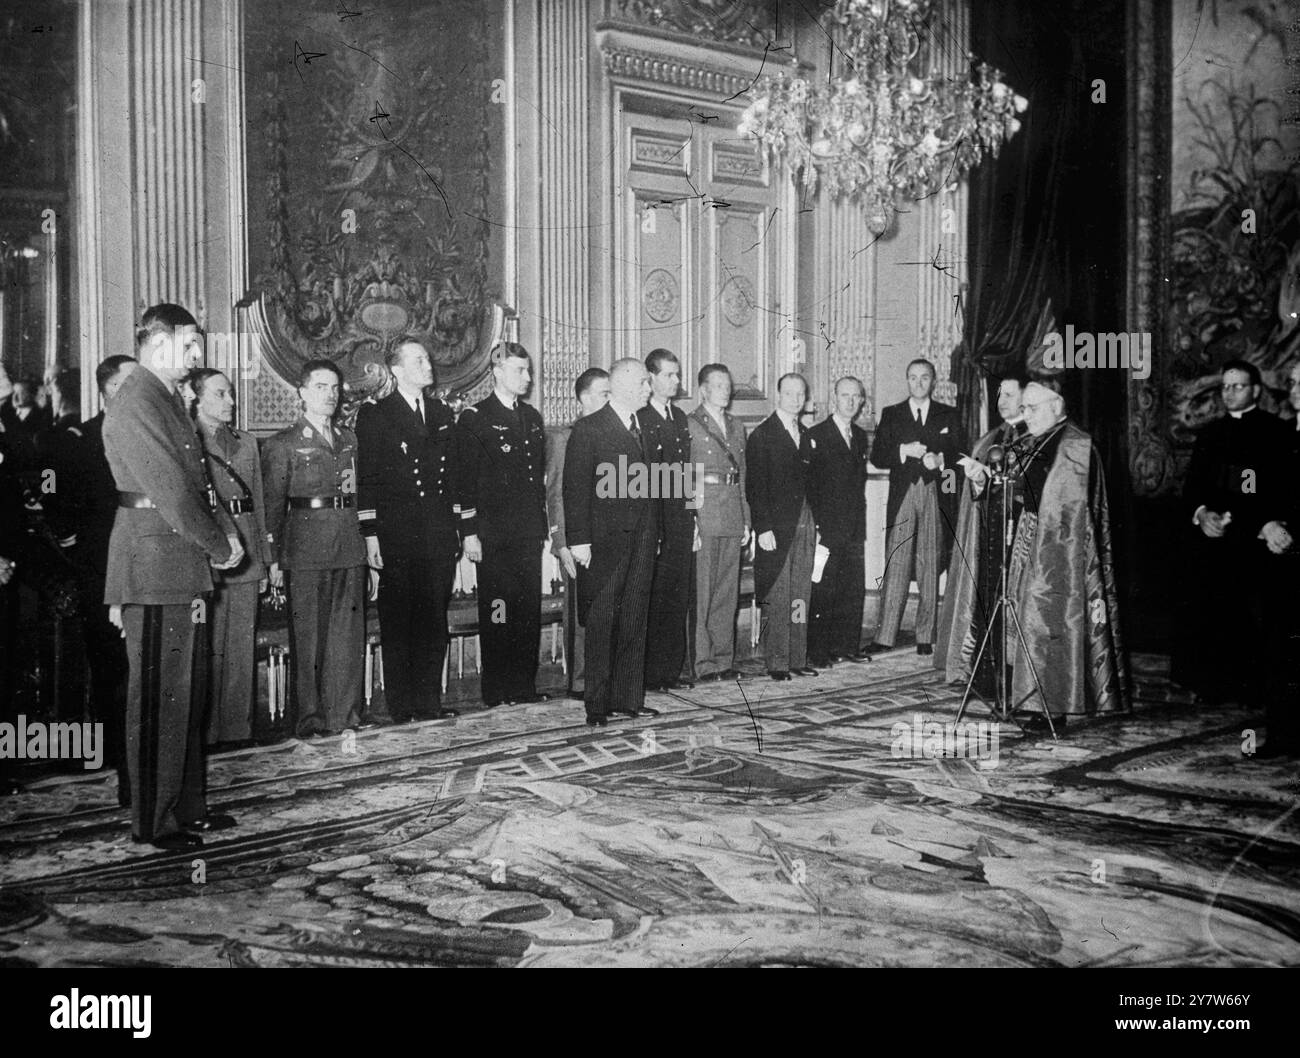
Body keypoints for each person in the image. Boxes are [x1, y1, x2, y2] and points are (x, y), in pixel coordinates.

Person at [103, 304, 243, 850]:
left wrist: (226, 534)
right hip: (155, 565)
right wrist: (218, 544)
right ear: (158, 344)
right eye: (189, 346)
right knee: (160, 696)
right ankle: (153, 820)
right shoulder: (138, 400)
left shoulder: (163, 399)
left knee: (187, 691)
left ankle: (187, 806)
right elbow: (171, 492)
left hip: (178, 564)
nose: (197, 356)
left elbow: (200, 482)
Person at [963, 380, 1127, 730]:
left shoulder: (1077, 447)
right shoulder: (1027, 441)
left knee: (1051, 624)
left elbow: (1077, 509)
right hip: (1023, 544)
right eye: (1024, 408)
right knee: (1018, 623)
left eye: (1032, 408)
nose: (1026, 415)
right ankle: (1023, 696)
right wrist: (982, 480)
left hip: (1061, 554)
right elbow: (1008, 487)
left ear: (1057, 406)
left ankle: (1052, 706)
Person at [1177, 360, 1294, 714]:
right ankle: (1212, 685)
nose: (1229, 393)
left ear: (1255, 390)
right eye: (1225, 387)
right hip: (1215, 539)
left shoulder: (1276, 431)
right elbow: (1194, 486)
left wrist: (1246, 518)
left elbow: (1268, 489)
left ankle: (1252, 689)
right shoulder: (1210, 433)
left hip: (1254, 540)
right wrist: (1202, 514)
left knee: (1253, 613)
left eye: (1238, 386)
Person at [355, 340, 462, 723]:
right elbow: (366, 480)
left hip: (437, 532)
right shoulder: (376, 415)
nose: (427, 364)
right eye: (418, 360)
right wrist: (370, 534)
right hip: (397, 532)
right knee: (399, 621)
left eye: (427, 358)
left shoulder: (440, 412)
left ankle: (428, 702)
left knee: (434, 619)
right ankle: (402, 705)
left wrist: (457, 528)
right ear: (396, 370)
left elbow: (452, 478)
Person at [262, 359, 369, 738]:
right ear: (303, 393)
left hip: (347, 543)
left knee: (347, 635)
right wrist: (271, 558)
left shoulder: (349, 439)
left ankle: (345, 714)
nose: (330, 395)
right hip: (305, 549)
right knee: (308, 639)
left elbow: (357, 493)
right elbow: (273, 506)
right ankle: (310, 719)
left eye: (335, 388)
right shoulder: (283, 444)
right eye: (321, 387)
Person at [563, 358, 660, 725]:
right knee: (602, 622)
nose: (648, 390)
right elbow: (574, 488)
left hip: (643, 539)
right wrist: (579, 541)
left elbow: (658, 484)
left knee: (635, 618)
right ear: (622, 386)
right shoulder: (590, 428)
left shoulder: (645, 426)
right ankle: (598, 704)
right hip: (604, 544)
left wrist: (657, 533)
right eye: (643, 383)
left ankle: (629, 698)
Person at [456, 343, 550, 708]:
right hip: (493, 535)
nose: (526, 378)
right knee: (498, 608)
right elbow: (465, 479)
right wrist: (469, 532)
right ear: (497, 372)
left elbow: (534, 476)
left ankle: (523, 685)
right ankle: (497, 688)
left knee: (527, 609)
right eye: (518, 370)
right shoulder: (475, 418)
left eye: (527, 370)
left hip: (527, 532)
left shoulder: (531, 417)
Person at [188, 368, 272, 748]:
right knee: (208, 646)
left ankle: (237, 729)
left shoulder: (248, 442)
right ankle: (204, 732)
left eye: (231, 394)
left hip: (247, 549)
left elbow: (259, 505)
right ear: (196, 398)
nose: (231, 402)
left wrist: (265, 561)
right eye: (221, 394)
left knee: (241, 643)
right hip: (211, 552)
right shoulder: (187, 440)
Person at [935, 372, 1030, 694]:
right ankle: (986, 673)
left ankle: (1017, 677)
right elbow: (979, 494)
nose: (1002, 402)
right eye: (999, 395)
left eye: (1009, 395)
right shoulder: (989, 439)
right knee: (986, 601)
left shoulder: (1036, 437)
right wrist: (978, 479)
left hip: (1021, 538)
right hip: (989, 537)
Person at [867, 358, 960, 656]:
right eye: (913, 378)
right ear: (906, 380)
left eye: (924, 378)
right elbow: (878, 457)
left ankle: (925, 635)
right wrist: (902, 452)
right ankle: (885, 636)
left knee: (930, 563)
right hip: (903, 493)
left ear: (933, 381)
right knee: (897, 562)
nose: (918, 383)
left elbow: (959, 453)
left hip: (934, 492)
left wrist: (941, 460)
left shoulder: (949, 413)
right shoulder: (892, 414)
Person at [746, 374, 818, 682]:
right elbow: (755, 486)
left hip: (805, 522)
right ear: (778, 395)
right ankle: (777, 661)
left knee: (801, 592)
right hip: (776, 526)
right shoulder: (762, 435)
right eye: (789, 393)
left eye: (800, 393)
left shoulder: (806, 433)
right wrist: (763, 528)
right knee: (780, 592)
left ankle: (797, 657)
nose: (796, 399)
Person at [545, 367, 610, 701]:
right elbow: (555, 493)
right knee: (580, 614)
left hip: (609, 539)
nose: (609, 400)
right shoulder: (564, 437)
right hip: (577, 541)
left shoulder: (613, 434)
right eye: (604, 393)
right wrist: (561, 543)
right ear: (585, 398)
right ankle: (581, 681)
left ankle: (604, 676)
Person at [638, 349, 696, 691]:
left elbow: (689, 472)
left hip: (680, 522)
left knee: (677, 596)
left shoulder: (680, 417)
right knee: (654, 597)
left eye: (677, 375)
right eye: (670, 375)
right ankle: (649, 673)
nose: (676, 381)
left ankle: (670, 671)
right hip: (655, 522)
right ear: (651, 377)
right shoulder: (642, 418)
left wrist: (695, 517)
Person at [688, 364, 750, 683]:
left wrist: (747, 520)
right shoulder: (691, 424)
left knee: (727, 590)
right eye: (718, 385)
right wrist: (691, 520)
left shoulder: (737, 426)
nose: (725, 391)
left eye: (728, 385)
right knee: (704, 591)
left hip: (732, 515)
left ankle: (724, 659)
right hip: (705, 510)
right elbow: (684, 474)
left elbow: (742, 476)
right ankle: (703, 661)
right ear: (703, 390)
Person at [806, 376, 873, 669]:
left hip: (855, 526)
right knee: (824, 590)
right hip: (827, 527)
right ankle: (820, 651)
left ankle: (847, 645)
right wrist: (817, 526)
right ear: (834, 397)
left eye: (855, 396)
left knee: (852, 588)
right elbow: (810, 486)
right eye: (844, 395)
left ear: (861, 402)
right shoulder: (817, 434)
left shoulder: (859, 436)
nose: (850, 401)